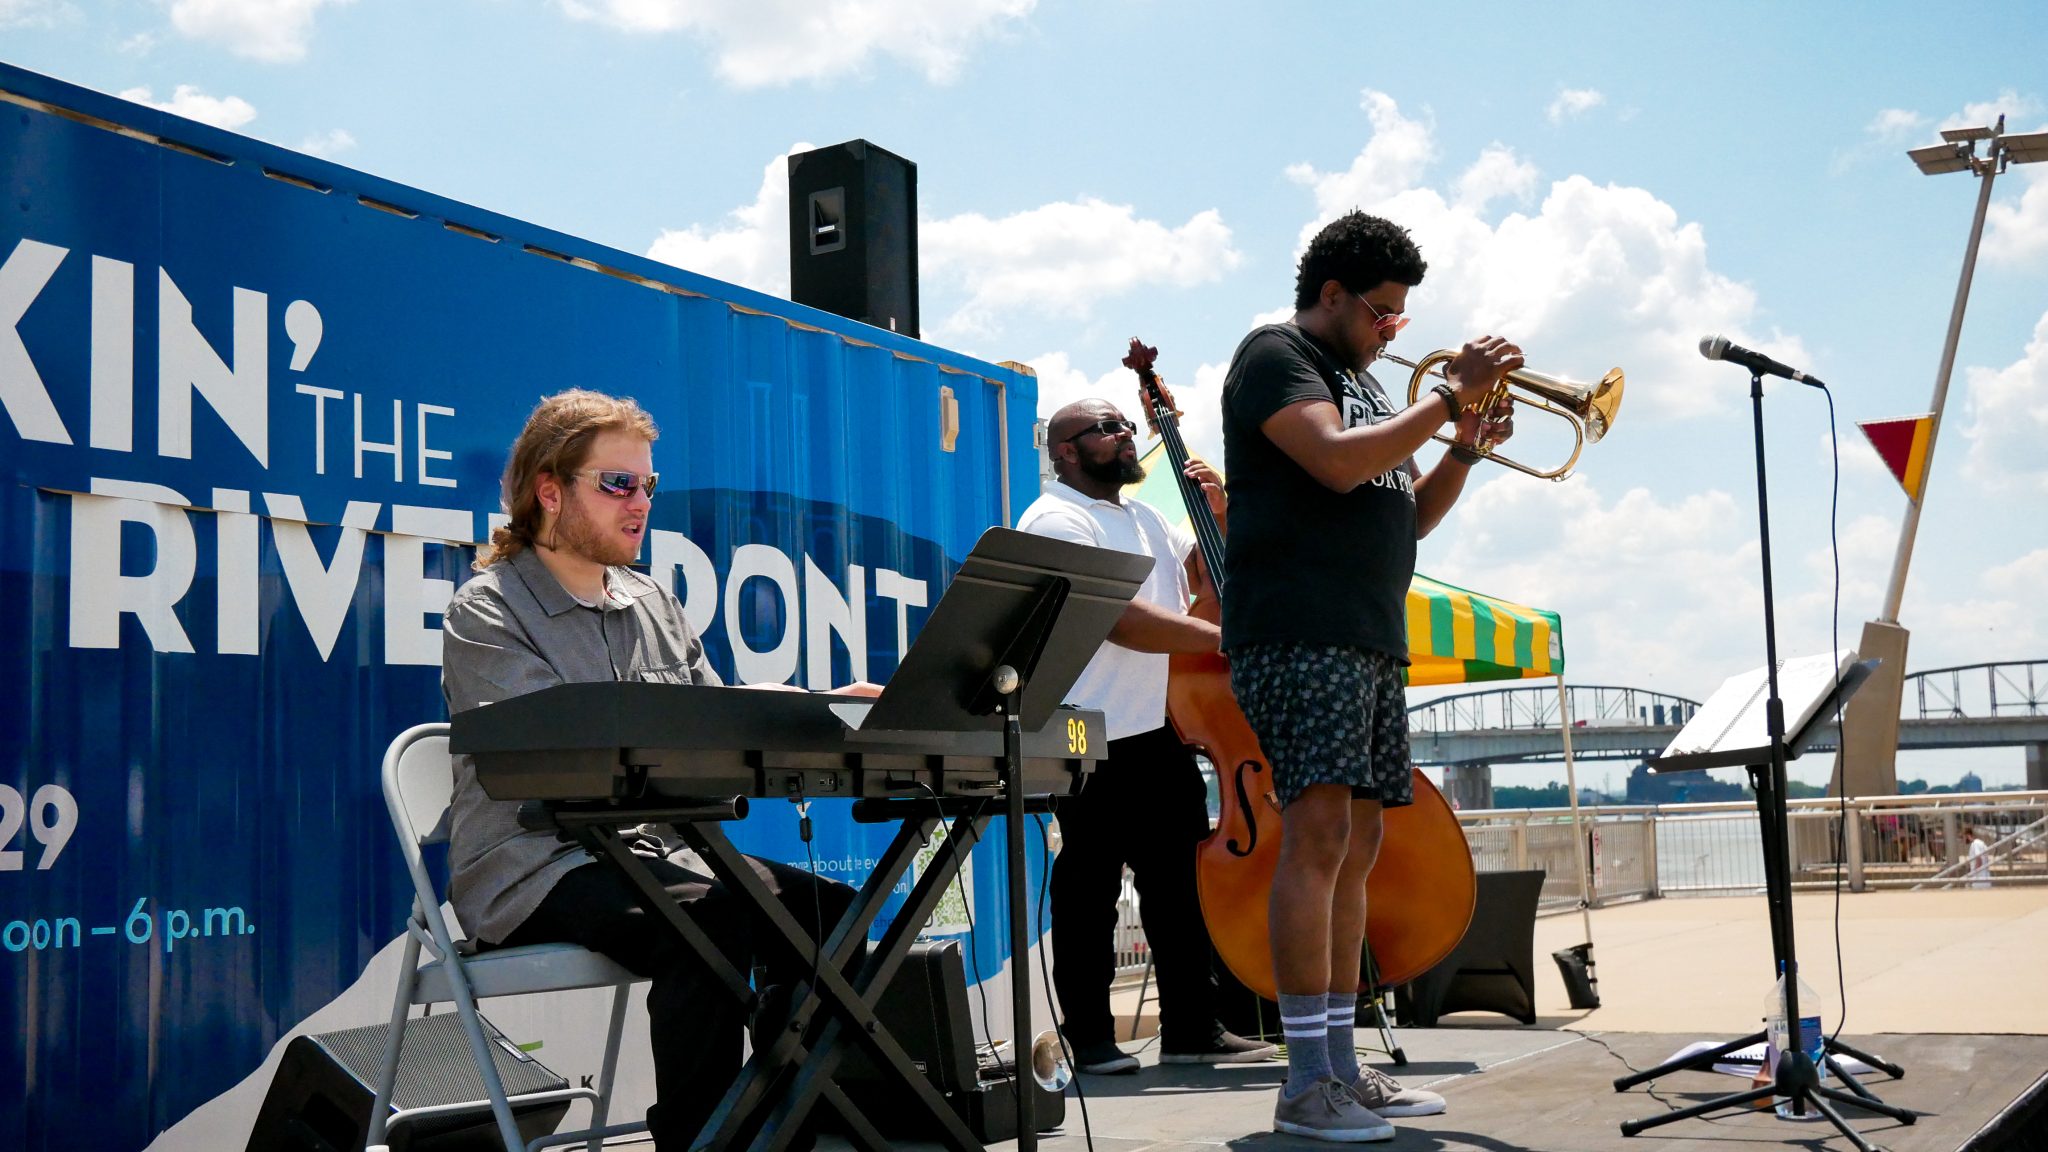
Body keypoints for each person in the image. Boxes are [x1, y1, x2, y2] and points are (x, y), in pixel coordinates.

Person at [440, 388, 859, 1149]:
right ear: (549, 491)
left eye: (648, 485)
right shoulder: (488, 608)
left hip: (653, 851)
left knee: (833, 912)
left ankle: (774, 1118)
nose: (640, 502)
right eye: (617, 483)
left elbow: (712, 715)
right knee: (711, 917)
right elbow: (557, 764)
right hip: (536, 862)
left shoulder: (652, 599)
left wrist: (823, 705)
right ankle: (704, 1138)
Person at [1219, 210, 1517, 1142]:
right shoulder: (1277, 356)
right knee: (1314, 841)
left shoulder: (1363, 383)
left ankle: (1342, 1067)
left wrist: (1464, 444)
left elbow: (1407, 516)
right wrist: (1446, 400)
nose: (1395, 329)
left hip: (1366, 638)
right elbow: (1338, 464)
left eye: (1401, 315)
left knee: (1356, 848)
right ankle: (1307, 1082)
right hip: (1299, 633)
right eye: (1382, 312)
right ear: (1333, 295)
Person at [1019, 397, 1277, 1075]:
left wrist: (1219, 520)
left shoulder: (1148, 517)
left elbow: (1199, 587)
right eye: (1105, 428)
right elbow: (1122, 622)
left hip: (1155, 728)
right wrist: (1234, 639)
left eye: (1126, 425)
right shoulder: (1057, 518)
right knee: (1090, 893)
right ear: (1065, 450)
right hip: (1084, 729)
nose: (1124, 435)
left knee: (1177, 889)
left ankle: (1193, 1027)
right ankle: (1089, 1038)